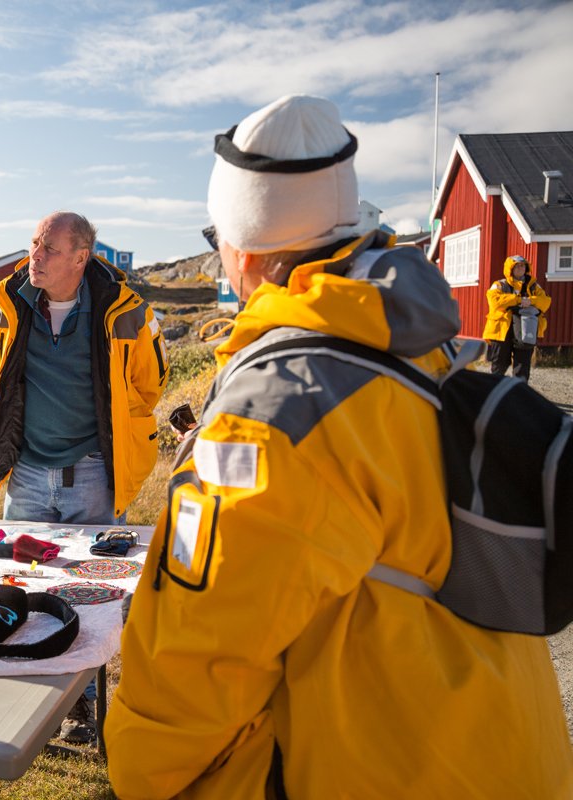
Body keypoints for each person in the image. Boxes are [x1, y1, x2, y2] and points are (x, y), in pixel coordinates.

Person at [105, 95, 573, 798]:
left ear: (242, 250)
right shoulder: (415, 346)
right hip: (501, 750)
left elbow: (199, 660)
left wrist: (138, 780)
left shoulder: (275, 415)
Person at [0, 210, 168, 744]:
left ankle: (85, 704)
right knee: (25, 584)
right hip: (30, 473)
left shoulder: (125, 310)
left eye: (49, 248)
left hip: (92, 474)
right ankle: (30, 691)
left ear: (80, 258)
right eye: (34, 243)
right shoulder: (8, 304)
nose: (35, 255)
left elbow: (150, 384)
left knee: (90, 590)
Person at [483, 254, 551, 381]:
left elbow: (546, 301)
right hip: (502, 331)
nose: (520, 268)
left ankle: (520, 395)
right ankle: (494, 395)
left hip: (526, 329)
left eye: (522, 266)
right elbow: (495, 301)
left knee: (522, 366)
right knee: (499, 365)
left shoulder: (534, 286)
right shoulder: (499, 285)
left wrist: (530, 301)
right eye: (517, 266)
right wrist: (519, 299)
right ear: (510, 269)